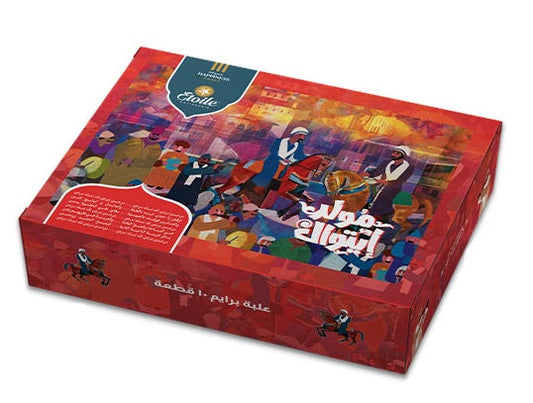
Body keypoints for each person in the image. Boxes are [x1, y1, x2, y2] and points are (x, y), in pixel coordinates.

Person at [362, 145, 414, 218]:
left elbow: (402, 180)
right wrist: (368, 173)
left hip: (393, 188)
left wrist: (386, 182)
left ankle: (378, 215)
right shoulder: (386, 163)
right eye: (394, 152)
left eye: (397, 153)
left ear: (403, 156)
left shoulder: (409, 167)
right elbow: (376, 172)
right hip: (380, 184)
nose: (394, 154)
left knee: (383, 198)